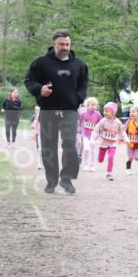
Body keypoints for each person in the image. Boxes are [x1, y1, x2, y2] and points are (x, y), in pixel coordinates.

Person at [24, 30, 89, 194]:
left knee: (70, 144)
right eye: (61, 44)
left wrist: (78, 99)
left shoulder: (79, 65)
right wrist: (40, 89)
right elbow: (29, 81)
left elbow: (83, 85)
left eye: (67, 44)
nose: (65, 47)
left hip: (69, 111)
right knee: (48, 148)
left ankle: (66, 179)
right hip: (48, 111)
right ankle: (51, 181)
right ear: (54, 44)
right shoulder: (40, 63)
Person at [91, 102, 124, 181]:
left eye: (107, 111)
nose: (105, 113)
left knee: (111, 157)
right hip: (103, 143)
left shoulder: (117, 122)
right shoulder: (102, 121)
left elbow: (122, 130)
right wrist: (93, 138)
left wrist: (123, 138)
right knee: (100, 159)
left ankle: (109, 173)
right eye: (104, 111)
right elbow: (96, 130)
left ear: (113, 112)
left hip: (112, 143)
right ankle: (100, 158)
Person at [78, 97, 101, 172]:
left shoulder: (98, 114)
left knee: (93, 149)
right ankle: (86, 164)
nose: (94, 106)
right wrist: (80, 129)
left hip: (94, 136)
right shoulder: (83, 113)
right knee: (86, 149)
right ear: (87, 105)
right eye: (92, 105)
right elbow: (80, 122)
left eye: (95, 105)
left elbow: (101, 124)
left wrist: (100, 133)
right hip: (85, 134)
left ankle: (92, 165)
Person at [123, 106, 138, 174]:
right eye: (130, 112)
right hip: (129, 144)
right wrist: (124, 137)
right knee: (130, 157)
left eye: (133, 112)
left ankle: (135, 157)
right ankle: (128, 169)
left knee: (137, 158)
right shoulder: (129, 122)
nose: (131, 113)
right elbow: (123, 130)